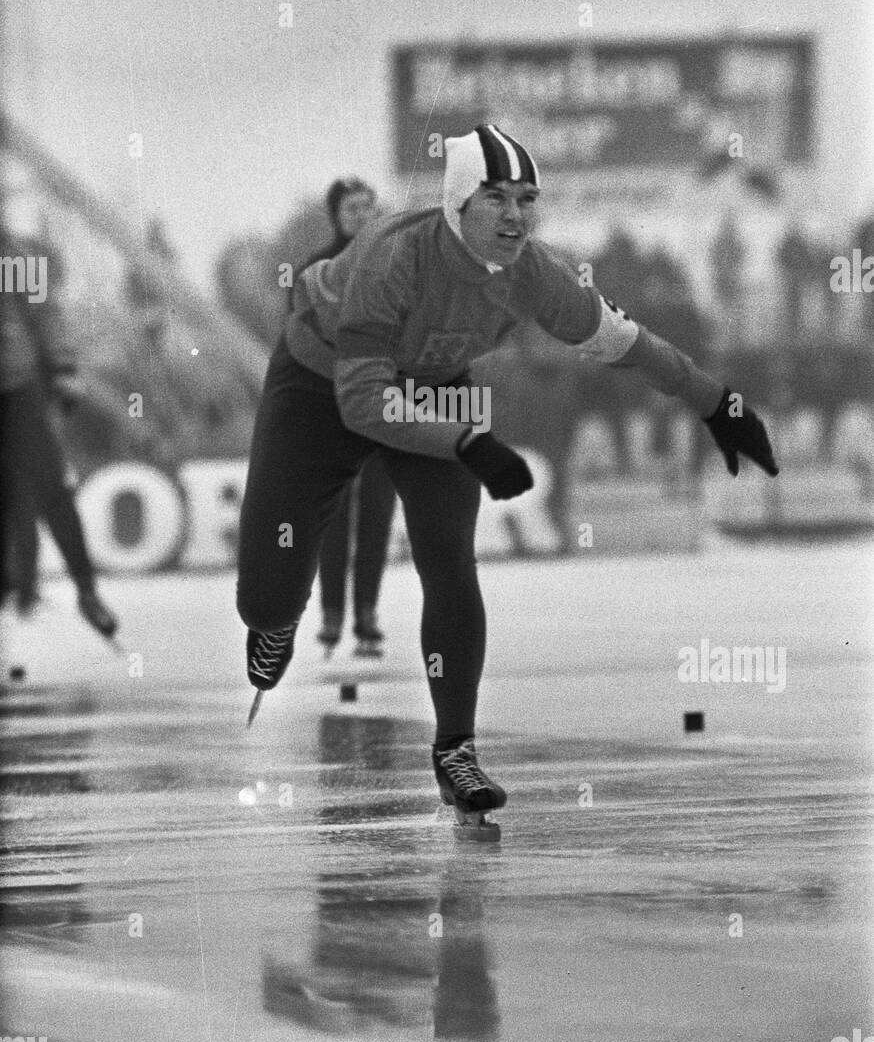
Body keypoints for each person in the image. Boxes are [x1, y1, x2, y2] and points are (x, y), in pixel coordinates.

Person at [237, 126, 777, 829]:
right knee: (270, 593)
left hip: (433, 385)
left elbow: (623, 342)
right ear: (457, 206)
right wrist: (467, 441)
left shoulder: (536, 271)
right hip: (321, 381)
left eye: (528, 199)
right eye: (496, 199)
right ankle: (273, 620)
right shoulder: (390, 257)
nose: (517, 216)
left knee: (450, 558)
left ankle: (455, 749)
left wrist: (716, 403)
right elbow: (363, 405)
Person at [288, 178, 396, 659]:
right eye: (353, 208)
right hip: (332, 406)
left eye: (369, 207)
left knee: (377, 511)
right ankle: (332, 616)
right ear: (336, 215)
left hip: (380, 402)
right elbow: (296, 335)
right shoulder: (315, 268)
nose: (362, 215)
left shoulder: (394, 264)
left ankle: (367, 615)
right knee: (334, 517)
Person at [0, 232, 119, 639]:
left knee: (52, 486)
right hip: (17, 384)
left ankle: (86, 591)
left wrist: (64, 368)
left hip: (16, 389)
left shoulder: (13, 257)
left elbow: (45, 317)